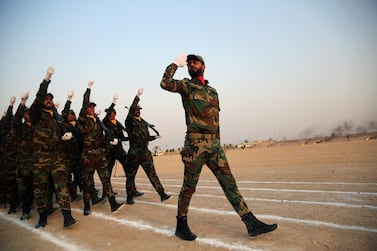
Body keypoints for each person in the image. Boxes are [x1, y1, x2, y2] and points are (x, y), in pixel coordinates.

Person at [160, 53, 278, 240]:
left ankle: (250, 222)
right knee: (189, 188)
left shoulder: (213, 91)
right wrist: (175, 64)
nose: (192, 65)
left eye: (195, 62)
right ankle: (181, 225)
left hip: (214, 146)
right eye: (189, 63)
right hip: (195, 145)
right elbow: (165, 83)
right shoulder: (186, 85)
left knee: (229, 183)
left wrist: (218, 142)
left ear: (203, 66)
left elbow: (216, 120)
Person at [29, 66, 78, 228]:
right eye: (46, 99)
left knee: (61, 185)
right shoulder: (36, 113)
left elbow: (65, 128)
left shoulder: (57, 118)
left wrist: (66, 136)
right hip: (41, 158)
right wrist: (47, 79)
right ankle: (43, 216)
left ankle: (67, 216)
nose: (49, 101)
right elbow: (38, 97)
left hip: (57, 157)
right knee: (41, 188)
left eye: (50, 99)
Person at [77, 80, 125, 216]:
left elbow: (100, 139)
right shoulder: (83, 119)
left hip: (100, 154)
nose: (91, 108)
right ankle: (87, 206)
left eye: (92, 107)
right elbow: (84, 102)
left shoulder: (97, 122)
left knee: (106, 180)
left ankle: (113, 203)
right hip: (88, 155)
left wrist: (110, 142)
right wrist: (88, 88)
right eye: (89, 107)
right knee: (87, 183)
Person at [124, 88, 170, 205]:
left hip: (144, 153)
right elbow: (132, 110)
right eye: (136, 109)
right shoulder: (129, 121)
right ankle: (129, 196)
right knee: (130, 176)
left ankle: (162, 194)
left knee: (152, 174)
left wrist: (156, 137)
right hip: (134, 153)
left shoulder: (143, 123)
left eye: (139, 109)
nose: (138, 111)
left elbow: (146, 137)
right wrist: (137, 96)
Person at [13, 92, 35, 220]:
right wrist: (21, 104)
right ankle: (25, 210)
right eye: (26, 113)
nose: (29, 115)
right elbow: (15, 120)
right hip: (24, 163)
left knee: (38, 188)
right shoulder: (20, 128)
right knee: (25, 189)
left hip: (37, 162)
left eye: (30, 113)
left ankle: (41, 208)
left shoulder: (36, 127)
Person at [61, 90, 84, 201]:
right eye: (69, 114)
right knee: (68, 177)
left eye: (72, 114)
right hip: (68, 155)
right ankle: (72, 194)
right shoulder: (64, 126)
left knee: (79, 174)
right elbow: (64, 112)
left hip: (78, 154)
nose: (71, 116)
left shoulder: (77, 125)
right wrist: (68, 100)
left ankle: (77, 192)